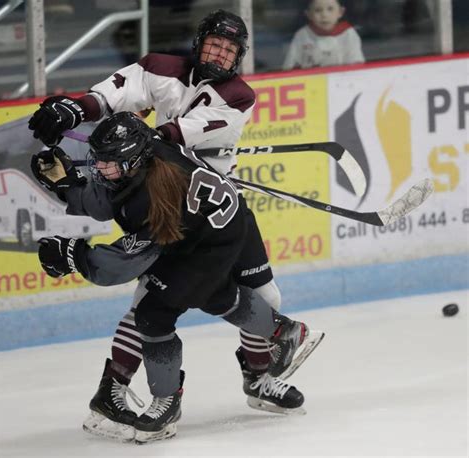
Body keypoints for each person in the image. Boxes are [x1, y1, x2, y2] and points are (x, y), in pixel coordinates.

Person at [28, 8, 324, 433]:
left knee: (264, 297)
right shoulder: (160, 68)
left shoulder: (239, 96)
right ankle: (113, 388)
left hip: (211, 206)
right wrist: (77, 110)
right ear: (199, 41)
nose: (220, 55)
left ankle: (259, 377)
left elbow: (178, 134)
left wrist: (132, 143)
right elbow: (113, 95)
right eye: (214, 45)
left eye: (229, 50)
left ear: (237, 57)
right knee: (149, 306)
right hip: (165, 202)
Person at [283, 0, 365, 70]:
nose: (324, 15)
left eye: (330, 9)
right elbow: (289, 65)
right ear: (309, 14)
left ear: (340, 12)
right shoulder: (302, 35)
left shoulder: (348, 34)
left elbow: (356, 64)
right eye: (318, 10)